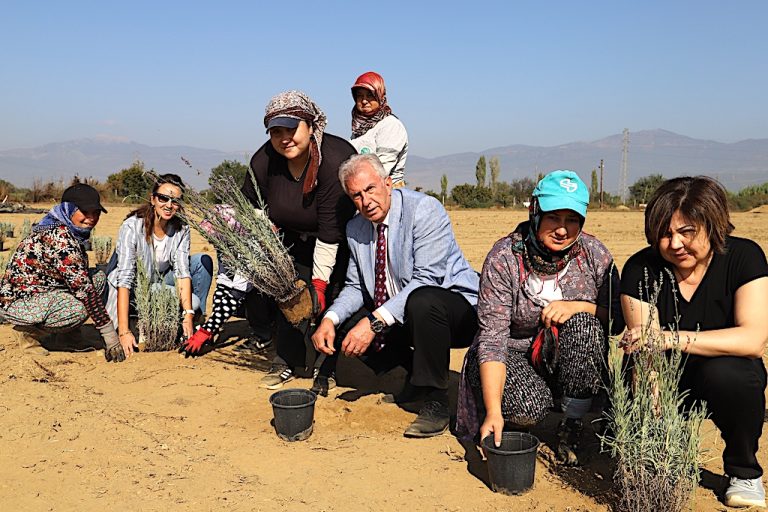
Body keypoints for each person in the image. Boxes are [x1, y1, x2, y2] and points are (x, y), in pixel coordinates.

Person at [455, 170, 623, 465]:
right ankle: (503, 405)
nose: (562, 229)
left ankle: (572, 423)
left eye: (572, 220)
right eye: (553, 217)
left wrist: (578, 307)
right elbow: (493, 339)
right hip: (511, 354)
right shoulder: (504, 257)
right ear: (535, 212)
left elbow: (619, 320)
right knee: (529, 409)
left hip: (565, 356)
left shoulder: (595, 254)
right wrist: (494, 410)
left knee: (585, 324)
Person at [620, 176, 768, 508]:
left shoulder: (744, 257)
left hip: (723, 375)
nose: (674, 244)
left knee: (735, 375)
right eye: (664, 234)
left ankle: (743, 471)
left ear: (713, 225)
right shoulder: (640, 269)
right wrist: (657, 448)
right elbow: (648, 359)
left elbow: (753, 339)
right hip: (665, 380)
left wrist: (670, 338)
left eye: (687, 231)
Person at [312, 153, 479, 438]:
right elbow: (355, 286)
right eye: (356, 196)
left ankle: (436, 401)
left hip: (456, 312)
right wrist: (329, 318)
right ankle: (416, 377)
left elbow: (429, 279)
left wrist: (374, 323)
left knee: (423, 301)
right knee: (344, 324)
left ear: (388, 184)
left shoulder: (424, 210)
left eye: (370, 189)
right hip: (404, 314)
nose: (366, 202)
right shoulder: (356, 228)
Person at [237, 90, 357, 392]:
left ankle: (326, 367)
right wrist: (267, 231)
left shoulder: (334, 160)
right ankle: (286, 360)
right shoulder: (264, 160)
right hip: (290, 238)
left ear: (311, 126)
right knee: (288, 295)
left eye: (291, 128)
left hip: (340, 241)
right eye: (276, 131)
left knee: (329, 298)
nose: (284, 138)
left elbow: (331, 230)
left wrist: (318, 284)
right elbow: (249, 203)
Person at [0, 183, 124, 361]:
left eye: (95, 212)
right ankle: (28, 334)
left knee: (97, 278)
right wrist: (111, 337)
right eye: (85, 211)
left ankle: (67, 336)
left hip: (46, 291)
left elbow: (79, 279)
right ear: (69, 209)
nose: (91, 218)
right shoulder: (59, 237)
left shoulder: (66, 229)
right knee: (80, 308)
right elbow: (84, 291)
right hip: (21, 300)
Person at [105, 174, 213, 358]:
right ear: (152, 198)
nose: (169, 205)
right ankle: (141, 321)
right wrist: (122, 331)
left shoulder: (181, 228)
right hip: (137, 285)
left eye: (175, 201)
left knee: (202, 261)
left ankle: (192, 324)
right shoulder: (132, 227)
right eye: (163, 198)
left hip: (162, 278)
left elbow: (182, 271)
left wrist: (188, 314)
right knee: (191, 301)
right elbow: (124, 279)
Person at [349, 71, 408, 187]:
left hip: (387, 193)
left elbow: (382, 169)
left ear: (380, 96)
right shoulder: (360, 129)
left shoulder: (390, 125)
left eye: (370, 95)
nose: (364, 100)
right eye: (360, 96)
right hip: (363, 191)